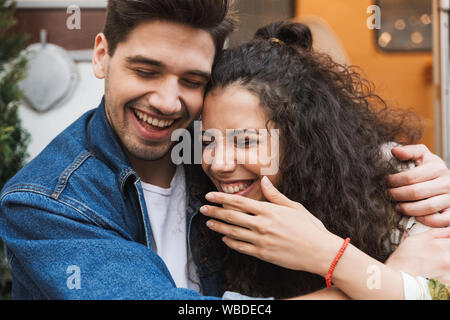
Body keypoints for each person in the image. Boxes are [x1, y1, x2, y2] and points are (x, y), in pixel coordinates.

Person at [0, 1, 448, 299]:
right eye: (146, 70)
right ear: (102, 56)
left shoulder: (213, 153)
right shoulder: (46, 203)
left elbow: (336, 152)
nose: (166, 101)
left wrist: (427, 181)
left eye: (191, 80)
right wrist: (377, 278)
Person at [198, 21, 450, 299]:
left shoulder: (400, 187)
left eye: (245, 141)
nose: (218, 163)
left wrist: (326, 253)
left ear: (299, 139)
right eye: (207, 140)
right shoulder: (209, 213)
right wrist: (379, 278)